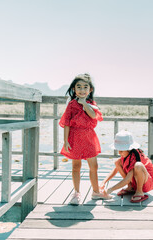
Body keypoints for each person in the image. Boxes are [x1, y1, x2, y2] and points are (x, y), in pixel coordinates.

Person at [59, 73, 109, 205]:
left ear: (90, 90)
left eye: (85, 87)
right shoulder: (71, 105)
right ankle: (76, 193)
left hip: (89, 137)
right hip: (75, 137)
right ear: (74, 89)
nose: (82, 90)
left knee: (94, 166)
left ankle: (96, 191)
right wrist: (66, 140)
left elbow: (93, 116)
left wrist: (84, 103)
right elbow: (67, 123)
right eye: (79, 87)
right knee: (76, 166)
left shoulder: (92, 104)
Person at [100, 130, 153, 203]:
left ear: (128, 149)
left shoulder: (135, 157)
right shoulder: (127, 154)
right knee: (117, 162)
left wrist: (110, 190)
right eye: (118, 150)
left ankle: (139, 191)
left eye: (121, 150)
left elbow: (127, 179)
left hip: (147, 182)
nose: (119, 152)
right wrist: (104, 182)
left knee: (138, 165)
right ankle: (130, 187)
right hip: (135, 181)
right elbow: (115, 170)